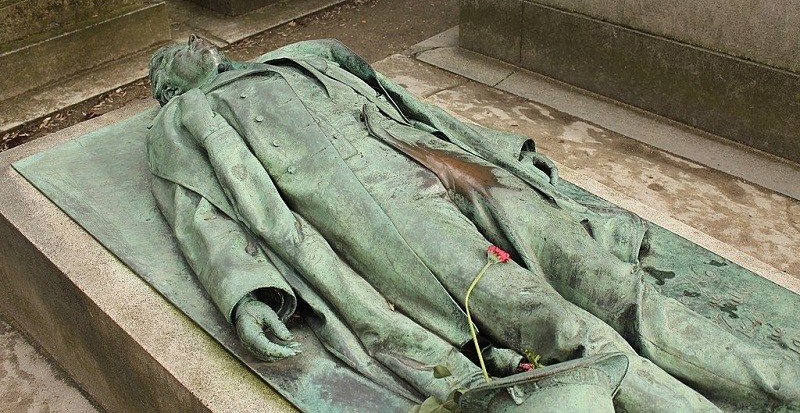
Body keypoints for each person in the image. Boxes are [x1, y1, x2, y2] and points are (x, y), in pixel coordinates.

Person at [146, 35, 800, 412]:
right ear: (167, 86)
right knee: (554, 322)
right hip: (382, 209)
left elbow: (397, 98)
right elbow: (196, 205)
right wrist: (242, 288)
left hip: (447, 161)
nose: (189, 43)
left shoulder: (306, 51)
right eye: (171, 54)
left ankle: (778, 384)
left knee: (604, 277)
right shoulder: (187, 115)